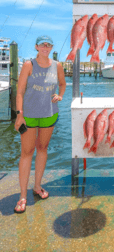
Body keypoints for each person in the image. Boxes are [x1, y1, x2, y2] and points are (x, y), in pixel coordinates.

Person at [14, 35, 66, 213]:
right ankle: (22, 195)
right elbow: (20, 91)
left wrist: (60, 95)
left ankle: (37, 186)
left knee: (42, 149)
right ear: (36, 47)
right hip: (29, 115)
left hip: (49, 114)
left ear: (51, 47)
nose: (45, 47)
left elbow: (62, 84)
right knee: (27, 152)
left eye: (48, 45)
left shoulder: (57, 65)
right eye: (42, 45)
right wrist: (19, 115)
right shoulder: (29, 65)